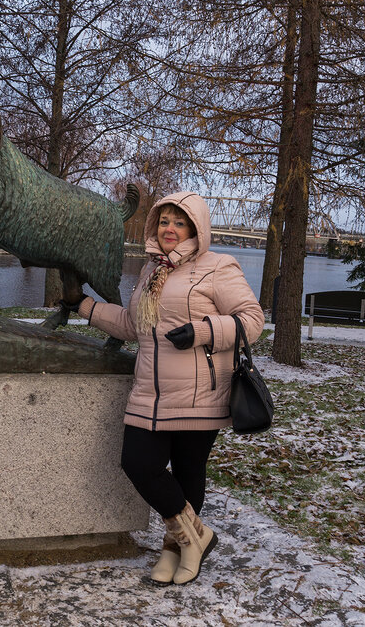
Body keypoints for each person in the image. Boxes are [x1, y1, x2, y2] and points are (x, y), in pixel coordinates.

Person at [77, 191, 264, 586]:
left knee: (188, 472)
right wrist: (85, 306)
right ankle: (197, 537)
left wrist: (202, 331)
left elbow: (252, 320)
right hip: (149, 391)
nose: (170, 229)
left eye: (179, 223)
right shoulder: (150, 271)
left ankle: (175, 548)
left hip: (201, 393)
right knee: (138, 463)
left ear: (195, 229)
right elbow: (133, 325)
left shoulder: (218, 266)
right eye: (164, 221)